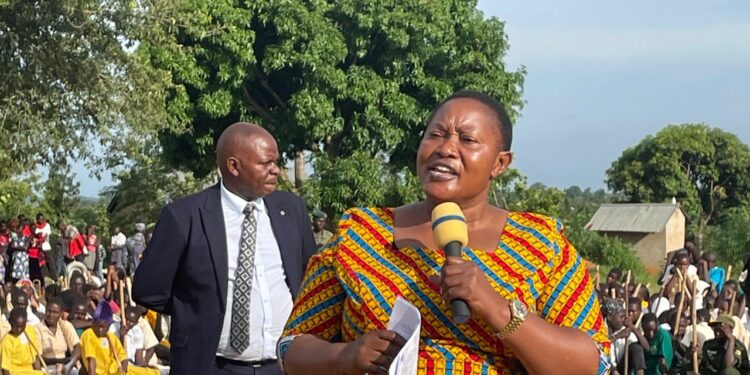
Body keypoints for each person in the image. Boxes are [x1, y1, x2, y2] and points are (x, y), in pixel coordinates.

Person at [276, 91, 610, 375]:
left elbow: (594, 362)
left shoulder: (541, 244)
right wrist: (345, 357)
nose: (446, 148)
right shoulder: (361, 233)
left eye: (467, 139)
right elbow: (292, 347)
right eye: (436, 134)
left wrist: (495, 308)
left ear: (500, 163)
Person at [133, 122, 318, 375]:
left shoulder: (291, 209)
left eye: (276, 161)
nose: (276, 170)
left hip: (283, 365)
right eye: (266, 163)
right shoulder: (185, 217)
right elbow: (148, 290)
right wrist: (197, 307)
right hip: (212, 366)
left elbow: (310, 277)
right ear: (234, 166)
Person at [80, 301, 158, 375]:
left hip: (116, 371)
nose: (100, 330)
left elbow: (123, 358)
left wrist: (123, 369)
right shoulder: (89, 334)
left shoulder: (111, 336)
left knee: (151, 373)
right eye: (98, 326)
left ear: (109, 325)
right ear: (93, 324)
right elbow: (91, 361)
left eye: (103, 327)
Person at [35, 298, 81, 374]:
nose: (51, 315)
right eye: (49, 311)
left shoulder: (65, 325)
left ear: (61, 313)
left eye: (55, 312)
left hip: (66, 367)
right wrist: (60, 361)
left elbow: (77, 347)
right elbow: (38, 358)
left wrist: (70, 363)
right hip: (47, 368)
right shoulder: (37, 328)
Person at [1, 307, 44, 375]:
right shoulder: (7, 341)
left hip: (30, 371)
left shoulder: (30, 331)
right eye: (16, 326)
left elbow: (35, 357)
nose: (19, 330)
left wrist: (39, 372)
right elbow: (5, 369)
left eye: (22, 326)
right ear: (10, 322)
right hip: (15, 372)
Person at [34, 214, 55, 278]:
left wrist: (41, 241)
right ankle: (46, 279)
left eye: (42, 219)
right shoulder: (36, 227)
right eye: (40, 219)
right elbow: (35, 236)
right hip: (39, 249)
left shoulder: (47, 225)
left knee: (51, 265)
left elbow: (46, 236)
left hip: (47, 248)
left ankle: (54, 278)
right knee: (43, 266)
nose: (41, 220)